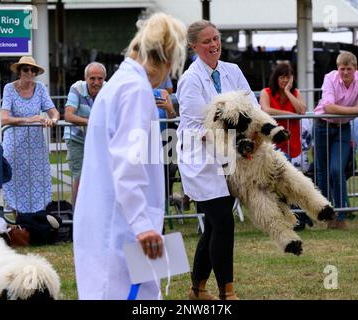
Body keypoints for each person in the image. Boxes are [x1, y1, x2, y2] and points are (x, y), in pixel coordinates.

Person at [73, 13, 187, 300]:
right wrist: (143, 225)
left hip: (111, 220)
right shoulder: (135, 91)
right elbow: (128, 163)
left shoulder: (117, 85)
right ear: (167, 58)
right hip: (122, 226)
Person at [176, 20, 259, 300]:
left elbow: (252, 107)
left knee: (213, 226)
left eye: (216, 39)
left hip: (227, 156)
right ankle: (228, 293)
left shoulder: (232, 71)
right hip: (200, 161)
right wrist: (226, 135)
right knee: (223, 222)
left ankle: (197, 290)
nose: (214, 45)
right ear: (194, 47)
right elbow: (192, 127)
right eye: (207, 42)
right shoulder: (191, 79)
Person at [314, 51, 358, 229]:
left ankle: (340, 215)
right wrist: (357, 109)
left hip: (343, 129)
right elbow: (328, 106)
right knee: (322, 172)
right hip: (322, 126)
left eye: (349, 69)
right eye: (342, 69)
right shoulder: (329, 78)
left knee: (336, 169)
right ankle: (324, 214)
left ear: (355, 69)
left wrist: (357, 109)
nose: (345, 73)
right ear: (337, 69)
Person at [1, 56, 60, 214]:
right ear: (19, 71)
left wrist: (52, 120)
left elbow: (54, 112)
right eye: (25, 69)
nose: (29, 72)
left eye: (32, 70)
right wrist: (29, 119)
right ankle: (17, 224)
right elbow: (4, 118)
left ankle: (36, 220)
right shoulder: (9, 88)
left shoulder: (40, 88)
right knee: (15, 182)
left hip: (36, 146)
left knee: (37, 182)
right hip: (14, 145)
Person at [63, 62, 107, 208]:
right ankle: (77, 216)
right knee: (80, 176)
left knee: (103, 177)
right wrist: (92, 122)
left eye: (100, 79)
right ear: (85, 78)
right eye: (92, 78)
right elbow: (68, 115)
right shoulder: (76, 88)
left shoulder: (108, 90)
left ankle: (98, 213)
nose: (96, 83)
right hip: (77, 138)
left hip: (99, 140)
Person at [259, 62, 306, 160]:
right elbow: (266, 110)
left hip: (291, 141)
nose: (285, 80)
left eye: (288, 77)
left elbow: (302, 110)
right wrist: (289, 114)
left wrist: (287, 92)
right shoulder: (266, 92)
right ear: (276, 78)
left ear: (292, 79)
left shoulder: (296, 93)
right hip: (272, 141)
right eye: (282, 77)